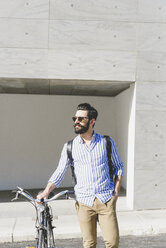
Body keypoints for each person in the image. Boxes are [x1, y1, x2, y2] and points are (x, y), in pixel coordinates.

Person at [37, 103, 124, 248]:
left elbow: (118, 166)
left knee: (112, 242)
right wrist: (46, 191)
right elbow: (60, 171)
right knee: (89, 244)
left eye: (80, 119)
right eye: (75, 118)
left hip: (106, 200)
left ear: (92, 121)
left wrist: (116, 191)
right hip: (83, 202)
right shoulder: (69, 147)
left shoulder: (106, 142)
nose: (76, 122)